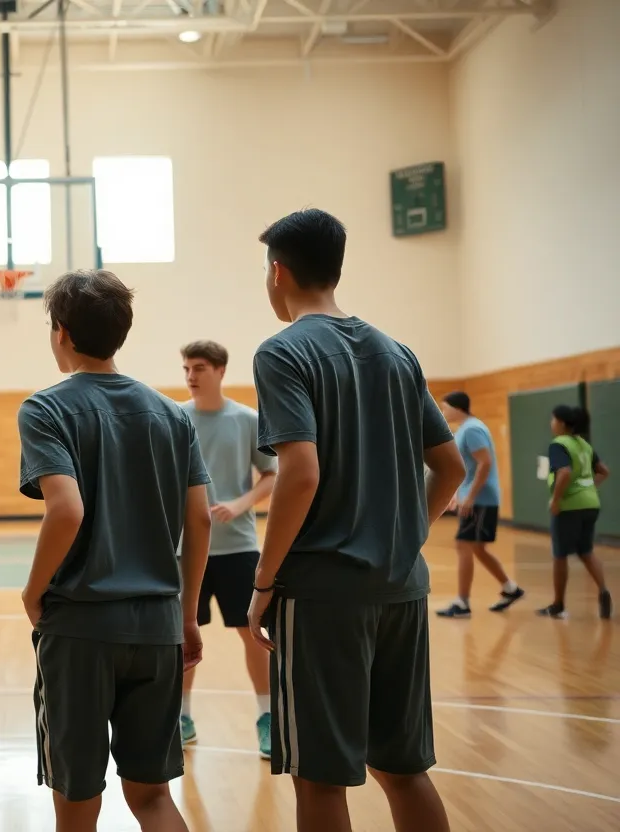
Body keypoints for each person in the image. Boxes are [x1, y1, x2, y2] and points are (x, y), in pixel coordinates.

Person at [246, 209, 463, 832]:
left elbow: (301, 473)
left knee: (320, 778)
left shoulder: (283, 352)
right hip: (402, 585)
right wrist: (404, 537)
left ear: (278, 272)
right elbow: (449, 469)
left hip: (323, 594)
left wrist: (264, 582)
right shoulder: (398, 353)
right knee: (403, 769)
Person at [18, 269, 211, 832]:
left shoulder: (46, 409)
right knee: (152, 796)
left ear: (62, 333)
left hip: (80, 629)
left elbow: (66, 510)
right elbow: (198, 518)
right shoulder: (173, 414)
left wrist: (33, 592)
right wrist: (187, 613)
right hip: (157, 626)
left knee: (78, 802)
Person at [177, 340, 276, 757]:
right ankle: (180, 717)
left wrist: (238, 504)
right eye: (186, 368)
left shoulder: (247, 419)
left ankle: (268, 717)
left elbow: (272, 475)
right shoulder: (176, 418)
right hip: (186, 550)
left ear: (220, 370)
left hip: (238, 549)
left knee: (254, 636)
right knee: (178, 639)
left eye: (199, 367)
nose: (191, 376)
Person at [435, 392, 524, 618]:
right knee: (476, 547)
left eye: (445, 408)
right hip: (476, 498)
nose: (443, 412)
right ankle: (510, 588)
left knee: (464, 545)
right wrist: (458, 494)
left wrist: (471, 496)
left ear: (457, 408)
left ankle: (462, 603)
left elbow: (485, 463)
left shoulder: (472, 429)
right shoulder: (466, 429)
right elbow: (468, 468)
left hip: (481, 500)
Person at [540, 404, 611, 619]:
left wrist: (556, 499)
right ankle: (603, 590)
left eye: (553, 420)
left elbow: (563, 473)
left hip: (569, 507)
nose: (551, 424)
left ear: (561, 423)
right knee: (586, 551)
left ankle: (558, 604)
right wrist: (587, 489)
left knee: (560, 555)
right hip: (591, 505)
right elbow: (604, 471)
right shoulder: (584, 445)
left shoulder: (558, 445)